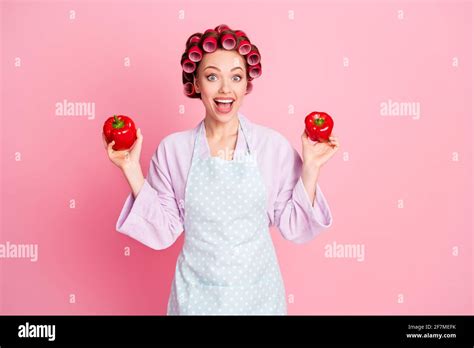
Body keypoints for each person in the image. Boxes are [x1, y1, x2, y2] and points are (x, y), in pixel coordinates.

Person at [102, 24, 340, 315]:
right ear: (197, 82)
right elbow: (162, 231)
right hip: (195, 299)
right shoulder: (173, 150)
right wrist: (130, 168)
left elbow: (295, 226)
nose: (226, 89)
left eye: (236, 77)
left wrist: (312, 167)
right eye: (213, 76)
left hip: (258, 298)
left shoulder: (271, 146)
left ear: (245, 84)